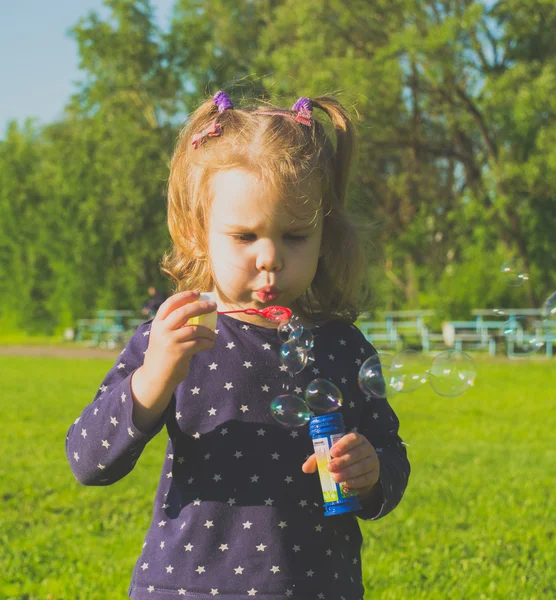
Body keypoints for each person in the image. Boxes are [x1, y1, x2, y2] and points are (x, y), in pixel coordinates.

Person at [66, 90, 410, 600]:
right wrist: (152, 379)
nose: (269, 257)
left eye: (295, 235)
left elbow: (391, 456)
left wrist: (373, 471)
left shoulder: (344, 347)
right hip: (186, 587)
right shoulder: (176, 336)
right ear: (198, 233)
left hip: (316, 586)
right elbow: (87, 458)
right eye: (245, 236)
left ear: (325, 233)